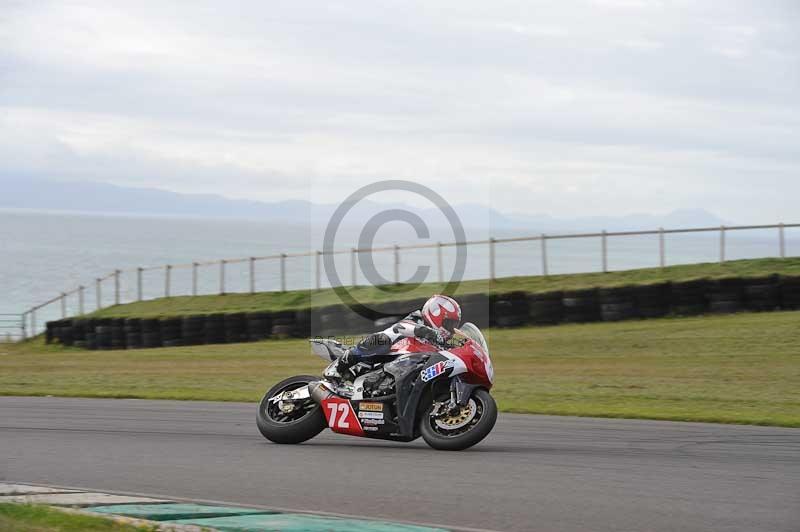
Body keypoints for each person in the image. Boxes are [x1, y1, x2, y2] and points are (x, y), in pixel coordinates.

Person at [335, 294, 462, 377]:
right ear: (435, 315)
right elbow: (401, 327)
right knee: (382, 340)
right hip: (389, 350)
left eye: (453, 325)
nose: (451, 329)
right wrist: (428, 332)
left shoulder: (441, 342)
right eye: (449, 323)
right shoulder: (417, 319)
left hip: (410, 366)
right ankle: (340, 365)